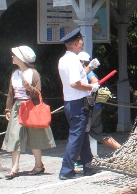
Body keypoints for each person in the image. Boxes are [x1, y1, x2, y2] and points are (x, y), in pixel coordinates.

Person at [2, 46, 56, 179]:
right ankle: (14, 167)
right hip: (17, 107)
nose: (12, 57)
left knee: (34, 136)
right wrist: (8, 109)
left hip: (31, 106)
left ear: (21, 58)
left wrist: (28, 87)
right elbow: (10, 93)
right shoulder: (15, 73)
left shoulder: (34, 73)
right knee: (15, 135)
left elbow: (37, 94)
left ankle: (39, 165)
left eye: (14, 55)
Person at [57, 28, 99, 180]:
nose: (82, 44)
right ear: (75, 43)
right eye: (80, 41)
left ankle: (88, 165)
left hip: (70, 101)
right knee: (76, 135)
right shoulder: (73, 60)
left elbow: (76, 77)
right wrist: (91, 87)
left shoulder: (64, 59)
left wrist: (90, 68)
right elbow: (75, 83)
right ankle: (66, 169)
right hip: (78, 102)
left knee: (82, 134)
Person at [78, 52, 121, 151]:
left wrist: (89, 89)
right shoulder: (85, 72)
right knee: (97, 134)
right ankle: (121, 149)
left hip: (90, 109)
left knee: (80, 132)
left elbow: (94, 81)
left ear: (82, 62)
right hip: (95, 107)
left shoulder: (88, 73)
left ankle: (80, 158)